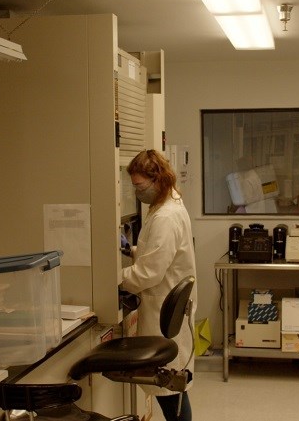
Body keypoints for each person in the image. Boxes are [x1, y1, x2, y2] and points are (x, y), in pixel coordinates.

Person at [118, 149, 197, 421]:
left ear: (158, 179)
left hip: (162, 307)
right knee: (172, 385)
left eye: (140, 186)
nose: (138, 192)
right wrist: (134, 251)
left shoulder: (166, 216)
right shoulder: (167, 205)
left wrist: (116, 279)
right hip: (167, 305)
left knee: (170, 386)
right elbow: (161, 253)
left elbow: (150, 273)